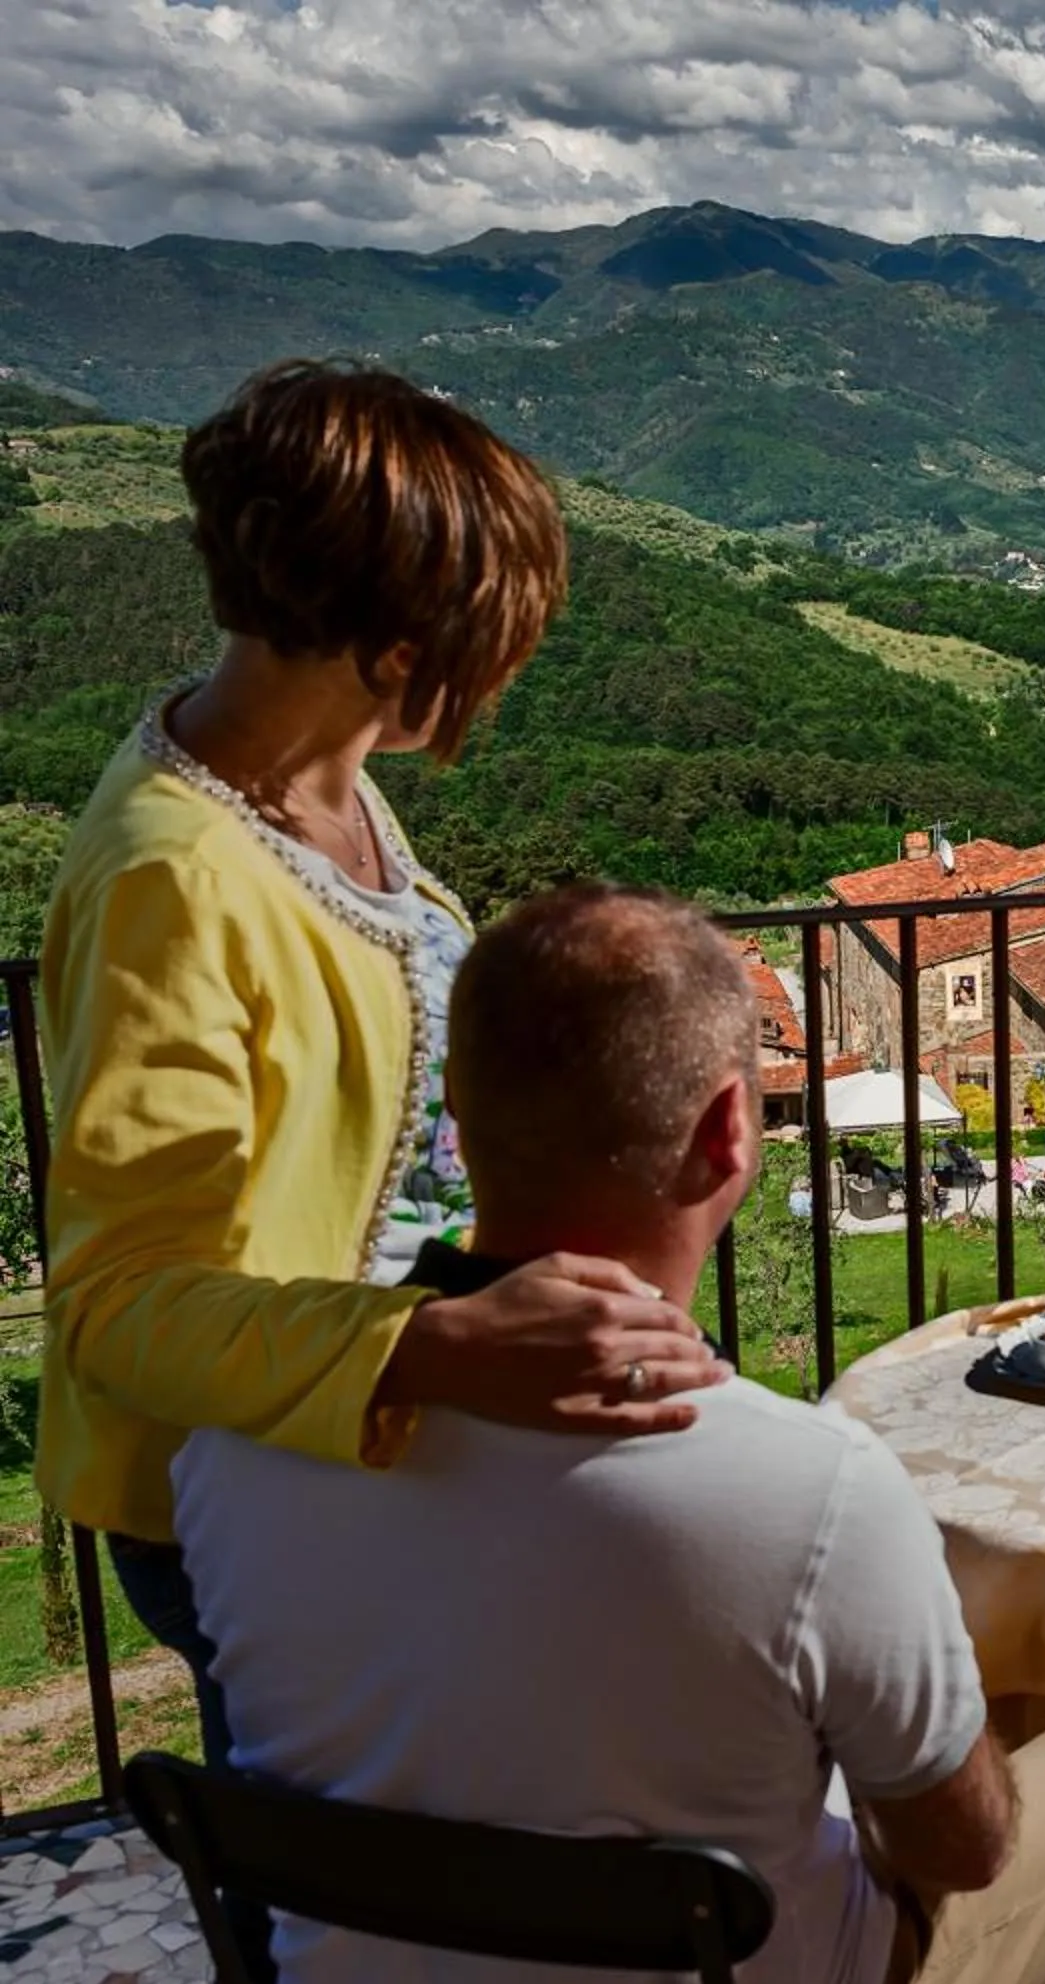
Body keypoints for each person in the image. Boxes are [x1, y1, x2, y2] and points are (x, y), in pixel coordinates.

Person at [175, 886, 1045, 1984]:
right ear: (729, 1131)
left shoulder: (236, 1444)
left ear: (455, 1112)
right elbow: (962, 1852)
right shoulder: (808, 1485)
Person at [38, 362, 723, 1798]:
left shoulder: (318, 787)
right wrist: (446, 1350)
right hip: (237, 1495)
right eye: (496, 635)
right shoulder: (175, 876)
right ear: (402, 641)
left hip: (344, 1439)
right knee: (337, 1863)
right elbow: (115, 1309)